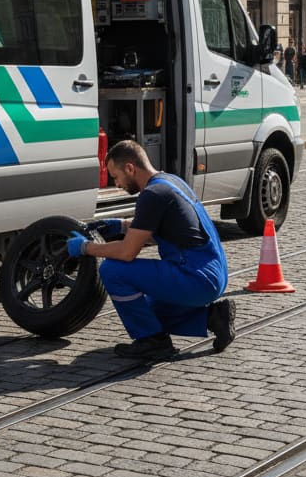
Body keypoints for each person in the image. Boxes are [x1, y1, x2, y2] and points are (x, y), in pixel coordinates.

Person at [67, 140, 235, 363]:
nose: (117, 184)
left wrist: (86, 248)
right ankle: (213, 317)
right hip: (212, 272)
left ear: (130, 168)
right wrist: (119, 225)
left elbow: (128, 252)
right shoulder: (170, 182)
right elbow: (165, 230)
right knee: (147, 311)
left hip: (197, 277)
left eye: (116, 176)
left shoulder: (152, 195)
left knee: (113, 270)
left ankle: (152, 341)